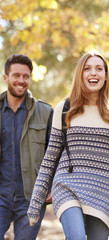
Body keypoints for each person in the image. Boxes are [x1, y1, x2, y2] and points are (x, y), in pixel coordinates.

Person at [27, 51, 109, 239]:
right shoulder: (65, 108)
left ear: (105, 76)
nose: (93, 73)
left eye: (99, 69)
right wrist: (36, 201)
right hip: (67, 185)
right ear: (80, 74)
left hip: (104, 191)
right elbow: (51, 157)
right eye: (87, 68)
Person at [0, 54, 53, 240]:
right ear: (6, 77)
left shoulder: (45, 112)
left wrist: (53, 185)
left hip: (31, 198)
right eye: (16, 75)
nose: (21, 81)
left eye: (26, 76)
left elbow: (55, 153)